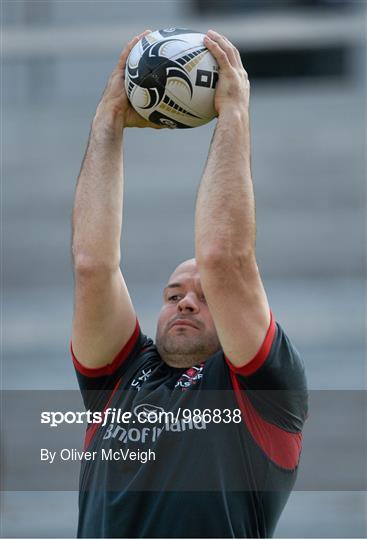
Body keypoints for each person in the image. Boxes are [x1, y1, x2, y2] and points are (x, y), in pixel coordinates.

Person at [71, 28, 308, 538]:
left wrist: (234, 116)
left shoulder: (264, 391)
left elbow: (224, 259)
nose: (185, 303)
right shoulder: (119, 378)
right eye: (174, 295)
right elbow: (93, 264)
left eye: (204, 298)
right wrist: (108, 120)